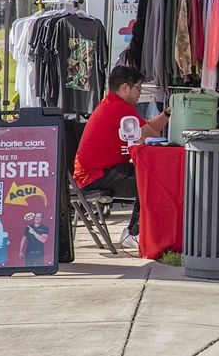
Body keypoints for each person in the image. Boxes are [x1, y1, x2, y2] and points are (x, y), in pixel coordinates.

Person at [74, 65, 172, 249]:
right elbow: (150, 134)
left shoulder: (113, 104)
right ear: (125, 88)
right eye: (138, 87)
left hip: (97, 173)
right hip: (94, 177)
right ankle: (134, 233)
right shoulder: (119, 108)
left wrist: (167, 113)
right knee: (151, 181)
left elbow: (148, 129)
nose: (140, 92)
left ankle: (136, 232)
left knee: (147, 176)